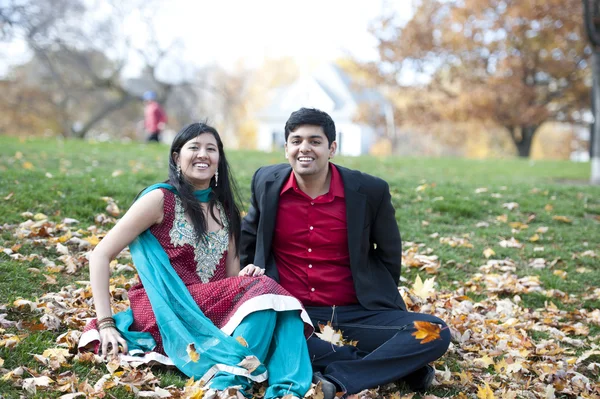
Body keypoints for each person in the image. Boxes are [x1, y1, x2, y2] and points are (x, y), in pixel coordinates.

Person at [79, 122, 313, 399]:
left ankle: (286, 391)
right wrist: (105, 323)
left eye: (211, 149)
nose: (203, 154)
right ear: (177, 157)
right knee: (266, 291)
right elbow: (100, 254)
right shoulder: (159, 199)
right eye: (194, 147)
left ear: (218, 161)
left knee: (271, 301)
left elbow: (230, 280)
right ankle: (229, 380)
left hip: (209, 307)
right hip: (163, 307)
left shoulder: (226, 210)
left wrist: (244, 279)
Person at [240, 108, 451, 399]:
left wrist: (375, 298)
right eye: (297, 140)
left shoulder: (370, 191)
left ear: (332, 148)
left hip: (355, 311)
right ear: (286, 147)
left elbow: (389, 254)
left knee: (434, 331)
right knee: (264, 341)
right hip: (294, 316)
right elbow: (247, 238)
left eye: (315, 141)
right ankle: (397, 366)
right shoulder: (266, 182)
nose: (305, 148)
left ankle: (339, 375)